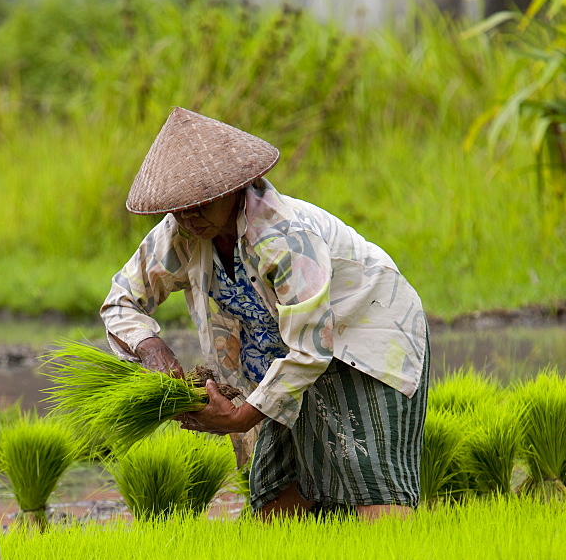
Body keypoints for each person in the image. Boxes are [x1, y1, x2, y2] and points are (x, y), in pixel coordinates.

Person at [101, 107, 429, 520]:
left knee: (367, 478)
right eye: (179, 206)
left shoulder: (283, 236)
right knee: (276, 502)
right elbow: (121, 300)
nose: (189, 215)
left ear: (236, 188)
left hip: (363, 337)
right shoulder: (181, 232)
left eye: (200, 202)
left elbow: (311, 347)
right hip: (288, 353)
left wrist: (241, 417)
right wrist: (151, 350)